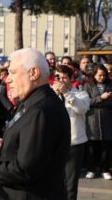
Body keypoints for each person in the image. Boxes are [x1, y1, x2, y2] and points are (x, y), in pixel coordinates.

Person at [0, 48, 70, 200]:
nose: (7, 79)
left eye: (13, 72)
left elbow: (25, 171)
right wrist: (5, 146)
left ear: (34, 73)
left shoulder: (40, 111)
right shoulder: (32, 103)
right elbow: (34, 153)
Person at [53, 65, 90, 200]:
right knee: (53, 182)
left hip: (74, 144)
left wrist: (66, 94)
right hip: (54, 145)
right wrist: (53, 95)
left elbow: (81, 109)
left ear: (71, 78)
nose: (60, 80)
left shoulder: (81, 94)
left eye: (64, 78)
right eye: (58, 77)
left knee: (70, 185)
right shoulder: (50, 94)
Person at [83, 64, 112, 180]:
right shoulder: (87, 86)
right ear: (94, 75)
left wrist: (101, 102)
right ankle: (91, 169)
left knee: (106, 145)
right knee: (92, 146)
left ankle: (105, 169)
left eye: (104, 75)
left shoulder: (110, 85)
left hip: (107, 118)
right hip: (92, 118)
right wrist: (101, 98)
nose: (102, 77)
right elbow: (86, 102)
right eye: (99, 75)